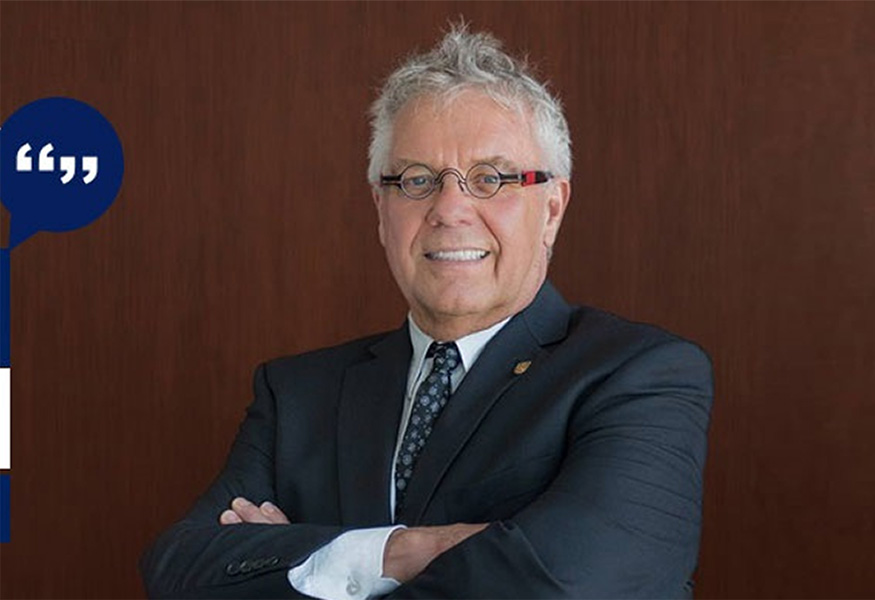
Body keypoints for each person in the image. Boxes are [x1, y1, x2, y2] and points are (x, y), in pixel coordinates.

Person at [140, 23, 713, 600]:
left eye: (490, 178)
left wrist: (318, 565)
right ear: (380, 208)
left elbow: (569, 586)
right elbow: (179, 571)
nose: (450, 208)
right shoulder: (295, 395)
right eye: (417, 180)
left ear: (553, 208)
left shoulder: (641, 375)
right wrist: (402, 550)